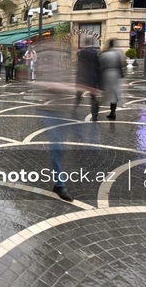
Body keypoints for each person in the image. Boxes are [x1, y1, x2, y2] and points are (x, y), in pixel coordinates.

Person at [32, 42, 75, 202]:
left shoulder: (64, 68)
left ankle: (59, 181)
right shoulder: (45, 68)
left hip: (63, 111)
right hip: (50, 112)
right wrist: (67, 87)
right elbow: (44, 85)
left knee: (60, 148)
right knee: (56, 147)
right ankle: (59, 184)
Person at [98, 39, 125, 120]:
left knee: (102, 92)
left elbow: (100, 66)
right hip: (115, 74)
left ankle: (96, 110)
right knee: (114, 94)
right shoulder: (117, 53)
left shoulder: (104, 54)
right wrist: (121, 73)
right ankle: (113, 111)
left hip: (106, 74)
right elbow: (120, 65)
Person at [74, 41, 100, 121]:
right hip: (91, 77)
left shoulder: (81, 53)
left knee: (78, 95)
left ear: (85, 44)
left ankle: (74, 110)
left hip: (82, 77)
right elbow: (98, 66)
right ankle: (94, 116)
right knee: (93, 97)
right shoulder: (95, 53)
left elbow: (79, 65)